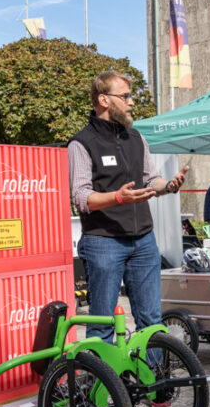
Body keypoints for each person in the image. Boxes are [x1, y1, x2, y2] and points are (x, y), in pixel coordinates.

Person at [68, 71, 189, 346]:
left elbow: (150, 179)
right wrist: (118, 198)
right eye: (125, 96)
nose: (132, 102)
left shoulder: (136, 138)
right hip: (103, 242)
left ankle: (152, 387)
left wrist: (168, 185)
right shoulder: (81, 143)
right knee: (102, 324)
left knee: (151, 322)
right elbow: (81, 198)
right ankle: (99, 387)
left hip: (144, 240)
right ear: (103, 100)